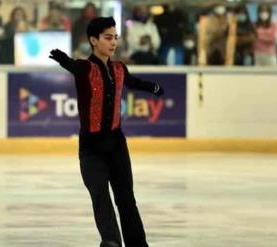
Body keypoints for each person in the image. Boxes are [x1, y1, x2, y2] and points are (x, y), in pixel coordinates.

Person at [49, 17, 163, 247]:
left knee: (126, 199)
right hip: (91, 148)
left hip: (116, 145)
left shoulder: (119, 68)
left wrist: (153, 87)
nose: (113, 43)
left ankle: (138, 244)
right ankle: (111, 241)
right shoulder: (84, 68)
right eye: (108, 38)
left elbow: (133, 81)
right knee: (100, 197)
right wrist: (63, 60)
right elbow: (73, 65)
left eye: (115, 38)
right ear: (94, 40)